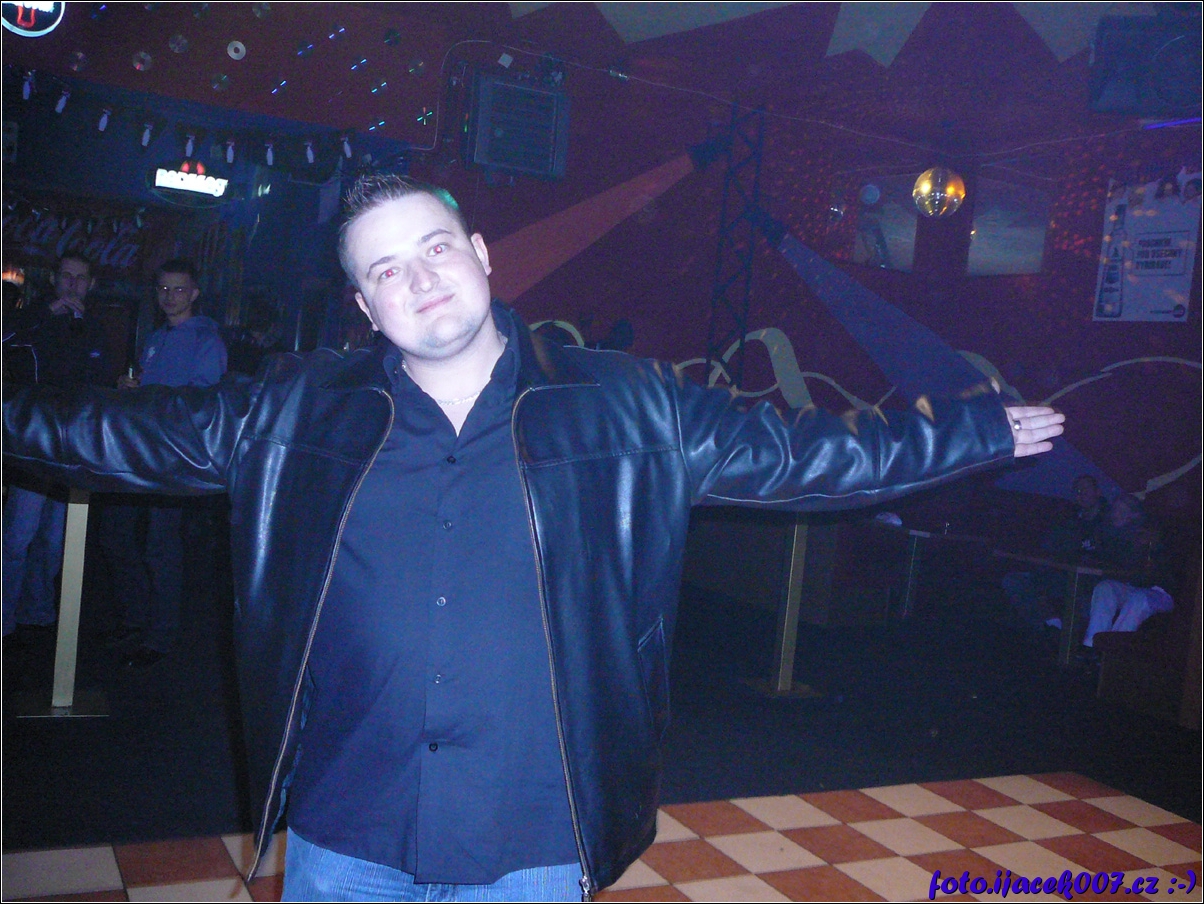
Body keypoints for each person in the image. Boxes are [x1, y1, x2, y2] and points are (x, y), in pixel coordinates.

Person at [3, 175, 1065, 901]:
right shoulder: (293, 411)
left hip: (531, 842)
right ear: (364, 307)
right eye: (386, 270)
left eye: (434, 249)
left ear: (479, 255)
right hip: (344, 831)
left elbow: (808, 455)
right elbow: (109, 432)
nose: (419, 278)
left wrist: (968, 431)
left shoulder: (626, 406)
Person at [97, 260, 227, 668]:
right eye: (163, 289)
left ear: (194, 293)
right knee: (115, 536)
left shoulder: (207, 340)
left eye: (178, 289)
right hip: (137, 451)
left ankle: (159, 637)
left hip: (173, 458)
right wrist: (131, 389)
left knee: (161, 546)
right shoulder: (156, 338)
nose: (170, 296)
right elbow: (151, 391)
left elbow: (203, 403)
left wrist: (152, 395)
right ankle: (136, 620)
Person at [2, 255, 109, 643]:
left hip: (71, 446)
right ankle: (4, 617)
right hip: (33, 442)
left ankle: (37, 612)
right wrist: (48, 312)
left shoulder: (93, 327)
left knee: (53, 538)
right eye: (67, 276)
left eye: (81, 279)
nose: (73, 285)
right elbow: (5, 338)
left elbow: (102, 377)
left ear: (90, 284)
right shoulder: (33, 317)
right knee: (18, 536)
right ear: (54, 279)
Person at [1002, 474, 1110, 630]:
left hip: (1091, 581)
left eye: (1086, 489)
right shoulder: (1070, 519)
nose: (1081, 494)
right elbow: (1050, 545)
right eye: (1078, 490)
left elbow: (1110, 553)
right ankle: (1050, 626)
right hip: (1062, 574)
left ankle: (1060, 630)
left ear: (1098, 491)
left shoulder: (1110, 519)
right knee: (1014, 581)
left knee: (1082, 599)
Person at [1082, 494, 1174, 649]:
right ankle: (1091, 646)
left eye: (1121, 511)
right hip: (1132, 587)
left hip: (1160, 592)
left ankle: (1113, 652)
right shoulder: (1110, 534)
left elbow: (1147, 569)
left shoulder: (1147, 534)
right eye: (1114, 510)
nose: (1115, 514)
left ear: (1134, 515)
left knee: (1138, 599)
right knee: (1105, 588)